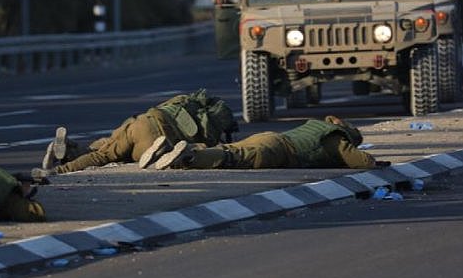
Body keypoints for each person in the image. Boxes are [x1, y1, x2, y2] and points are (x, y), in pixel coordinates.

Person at [34, 89, 239, 177]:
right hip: (157, 143)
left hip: (143, 122)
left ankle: (69, 151)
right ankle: (58, 170)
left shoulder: (186, 101)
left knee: (106, 148)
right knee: (110, 155)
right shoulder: (209, 132)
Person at [150, 115, 386, 170]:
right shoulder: (337, 139)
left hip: (269, 136)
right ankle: (189, 159)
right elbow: (363, 162)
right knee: (234, 157)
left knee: (230, 149)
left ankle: (174, 149)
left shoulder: (317, 125)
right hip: (278, 150)